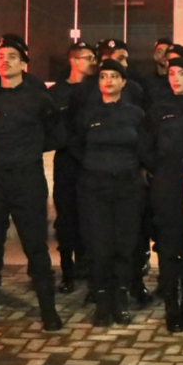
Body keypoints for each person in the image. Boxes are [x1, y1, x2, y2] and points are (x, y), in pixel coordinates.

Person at [0, 34, 63, 332]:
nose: (5, 61)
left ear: (24, 63)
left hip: (27, 177)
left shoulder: (38, 96)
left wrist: (26, 151)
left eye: (12, 57)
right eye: (1, 56)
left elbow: (55, 135)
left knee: (35, 245)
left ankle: (48, 309)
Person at [71, 58, 151, 327]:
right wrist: (95, 167)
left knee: (124, 245)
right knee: (99, 246)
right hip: (94, 188)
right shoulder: (87, 114)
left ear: (123, 82)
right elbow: (76, 146)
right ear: (99, 82)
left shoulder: (136, 114)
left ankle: (121, 299)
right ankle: (102, 302)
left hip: (128, 187)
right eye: (104, 76)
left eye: (114, 76)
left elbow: (145, 149)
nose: (109, 81)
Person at [147, 57, 183, 333]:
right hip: (166, 187)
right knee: (168, 250)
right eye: (172, 73)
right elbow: (144, 146)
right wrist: (159, 167)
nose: (176, 78)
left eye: (182, 73)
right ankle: (171, 307)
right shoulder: (158, 108)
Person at [47, 41, 97, 294]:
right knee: (66, 218)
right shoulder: (56, 92)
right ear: (74, 61)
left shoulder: (96, 90)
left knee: (89, 217)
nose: (92, 62)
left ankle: (87, 266)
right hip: (67, 161)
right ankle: (67, 270)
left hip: (91, 161)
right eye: (88, 57)